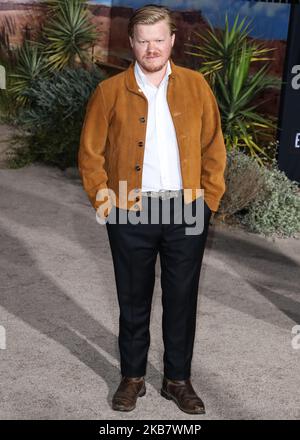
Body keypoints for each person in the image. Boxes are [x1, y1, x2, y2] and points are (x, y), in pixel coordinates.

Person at [78, 4, 226, 415]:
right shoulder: (109, 92)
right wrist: (106, 204)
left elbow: (214, 147)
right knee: (133, 299)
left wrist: (209, 201)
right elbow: (90, 155)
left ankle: (178, 381)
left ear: (173, 41)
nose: (151, 48)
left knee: (182, 298)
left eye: (159, 39)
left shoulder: (197, 86)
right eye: (143, 41)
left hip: (187, 211)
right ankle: (132, 377)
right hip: (129, 209)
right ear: (131, 43)